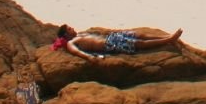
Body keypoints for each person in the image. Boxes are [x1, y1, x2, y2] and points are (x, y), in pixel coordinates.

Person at [51, 25, 183, 59]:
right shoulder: (72, 42)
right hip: (109, 45)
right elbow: (76, 52)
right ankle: (168, 40)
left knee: (140, 35)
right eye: (69, 29)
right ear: (66, 34)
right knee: (139, 44)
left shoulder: (80, 34)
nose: (72, 28)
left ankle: (167, 37)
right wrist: (89, 57)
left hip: (111, 38)